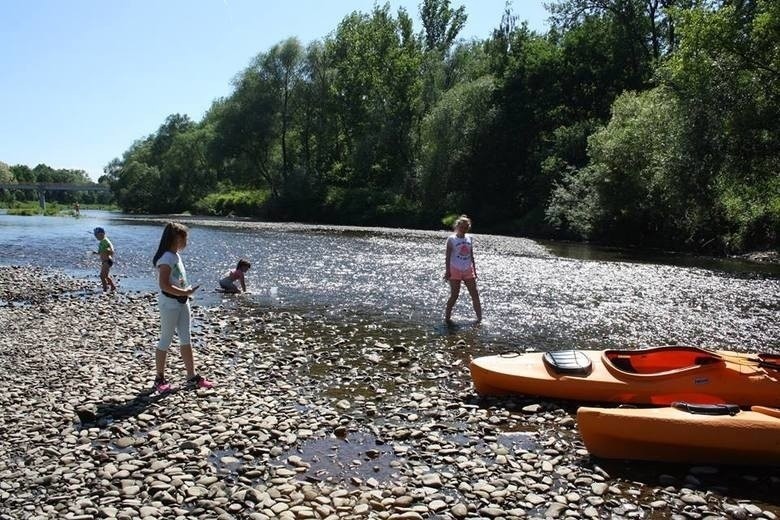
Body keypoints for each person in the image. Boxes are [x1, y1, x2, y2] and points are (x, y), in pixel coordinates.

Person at [152, 222, 213, 392]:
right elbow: (163, 285)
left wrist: (185, 293)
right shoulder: (166, 258)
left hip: (182, 302)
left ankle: (191, 376)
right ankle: (159, 378)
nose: (187, 242)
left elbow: (175, 281)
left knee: (186, 338)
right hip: (170, 303)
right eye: (185, 238)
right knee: (166, 338)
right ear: (177, 238)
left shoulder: (175, 256)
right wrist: (184, 292)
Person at [444, 215, 482, 323]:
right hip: (454, 269)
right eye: (461, 227)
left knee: (475, 294)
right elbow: (447, 257)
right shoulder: (451, 239)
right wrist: (447, 271)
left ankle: (479, 319)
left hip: (468, 270)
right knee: (454, 295)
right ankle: (447, 317)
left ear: (468, 228)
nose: (463, 229)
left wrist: (474, 270)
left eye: (466, 227)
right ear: (457, 226)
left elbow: (471, 255)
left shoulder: (469, 238)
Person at [92, 227, 116, 292]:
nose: (96, 237)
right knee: (106, 276)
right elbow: (101, 252)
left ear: (103, 234)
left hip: (107, 261)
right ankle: (113, 287)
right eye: (95, 235)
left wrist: (109, 250)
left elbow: (112, 249)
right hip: (104, 261)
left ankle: (105, 289)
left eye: (97, 235)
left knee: (102, 276)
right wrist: (96, 253)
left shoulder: (106, 241)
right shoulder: (101, 242)